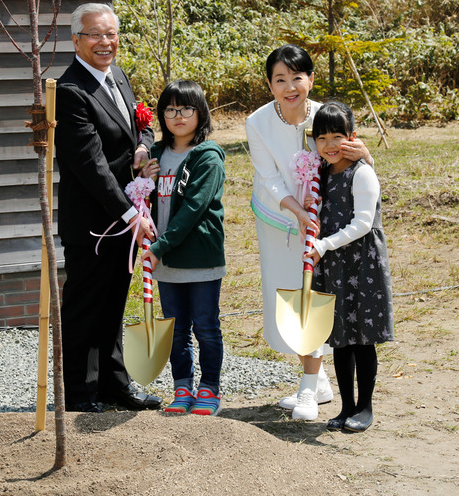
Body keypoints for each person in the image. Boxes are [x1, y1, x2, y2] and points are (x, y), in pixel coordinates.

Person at [245, 44, 372, 421]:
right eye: (280, 80)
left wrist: (364, 154)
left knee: (316, 294)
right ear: (269, 85)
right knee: (289, 294)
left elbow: (355, 163)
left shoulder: (326, 116)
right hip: (280, 218)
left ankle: (307, 387)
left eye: (297, 78)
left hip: (326, 221)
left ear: (310, 79)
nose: (290, 87)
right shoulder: (258, 122)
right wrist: (298, 211)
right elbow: (267, 178)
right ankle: (317, 384)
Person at [54, 3, 161, 413]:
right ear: (76, 40)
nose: (106, 42)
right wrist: (132, 215)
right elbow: (90, 166)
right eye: (96, 35)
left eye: (112, 34)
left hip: (125, 214)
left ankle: (115, 385)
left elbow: (142, 125)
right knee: (85, 307)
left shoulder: (118, 75)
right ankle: (80, 395)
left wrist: (142, 146)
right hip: (93, 222)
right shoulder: (70, 92)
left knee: (115, 303)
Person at [304, 101, 394, 432]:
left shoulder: (362, 173)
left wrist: (323, 245)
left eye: (337, 136)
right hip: (335, 266)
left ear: (352, 138)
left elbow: (363, 223)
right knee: (339, 337)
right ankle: (345, 407)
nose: (329, 145)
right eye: (321, 137)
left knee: (362, 339)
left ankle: (365, 407)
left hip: (362, 265)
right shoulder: (321, 176)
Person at [140, 80, 227, 416]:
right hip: (167, 259)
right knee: (176, 329)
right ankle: (182, 387)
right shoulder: (157, 155)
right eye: (170, 109)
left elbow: (193, 209)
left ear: (200, 112)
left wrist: (160, 246)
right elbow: (146, 202)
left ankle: (210, 389)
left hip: (199, 257)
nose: (178, 116)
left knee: (206, 326)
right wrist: (145, 181)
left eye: (186, 108)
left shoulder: (207, 157)